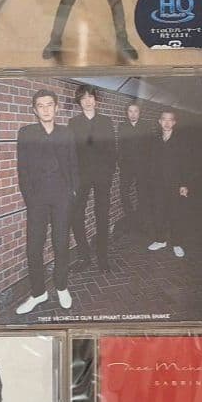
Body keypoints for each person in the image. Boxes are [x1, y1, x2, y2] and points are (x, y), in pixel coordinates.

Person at [15, 89, 78, 314]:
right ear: (35, 110)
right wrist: (29, 198)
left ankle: (61, 287)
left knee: (61, 243)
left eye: (49, 104)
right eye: (40, 106)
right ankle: (38, 293)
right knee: (34, 247)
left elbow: (73, 164)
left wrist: (72, 193)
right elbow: (22, 168)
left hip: (62, 196)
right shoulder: (26, 133)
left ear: (56, 107)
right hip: (37, 198)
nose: (46, 109)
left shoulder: (66, 133)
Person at [69, 84, 116, 272]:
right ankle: (84, 256)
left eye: (90, 97)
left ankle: (103, 258)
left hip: (102, 176)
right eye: (83, 98)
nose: (88, 101)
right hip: (81, 177)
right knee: (76, 215)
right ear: (79, 102)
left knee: (102, 215)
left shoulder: (106, 122)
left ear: (96, 100)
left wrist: (109, 173)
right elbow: (71, 152)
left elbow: (112, 149)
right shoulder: (73, 123)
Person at [147, 108, 189, 259]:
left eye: (170, 119)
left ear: (174, 122)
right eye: (164, 119)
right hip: (157, 184)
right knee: (159, 213)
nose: (167, 122)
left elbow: (186, 163)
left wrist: (184, 184)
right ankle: (160, 240)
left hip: (175, 184)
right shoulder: (154, 140)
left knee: (175, 214)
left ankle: (177, 243)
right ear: (159, 122)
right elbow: (151, 162)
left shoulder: (181, 140)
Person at [117, 101, 152, 232]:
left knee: (142, 193)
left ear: (139, 113)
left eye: (135, 111)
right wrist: (121, 162)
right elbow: (121, 145)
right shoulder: (122, 126)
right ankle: (131, 217)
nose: (133, 114)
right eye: (130, 111)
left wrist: (148, 165)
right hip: (127, 166)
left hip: (142, 166)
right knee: (123, 191)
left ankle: (142, 220)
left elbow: (149, 147)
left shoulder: (146, 126)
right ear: (127, 113)